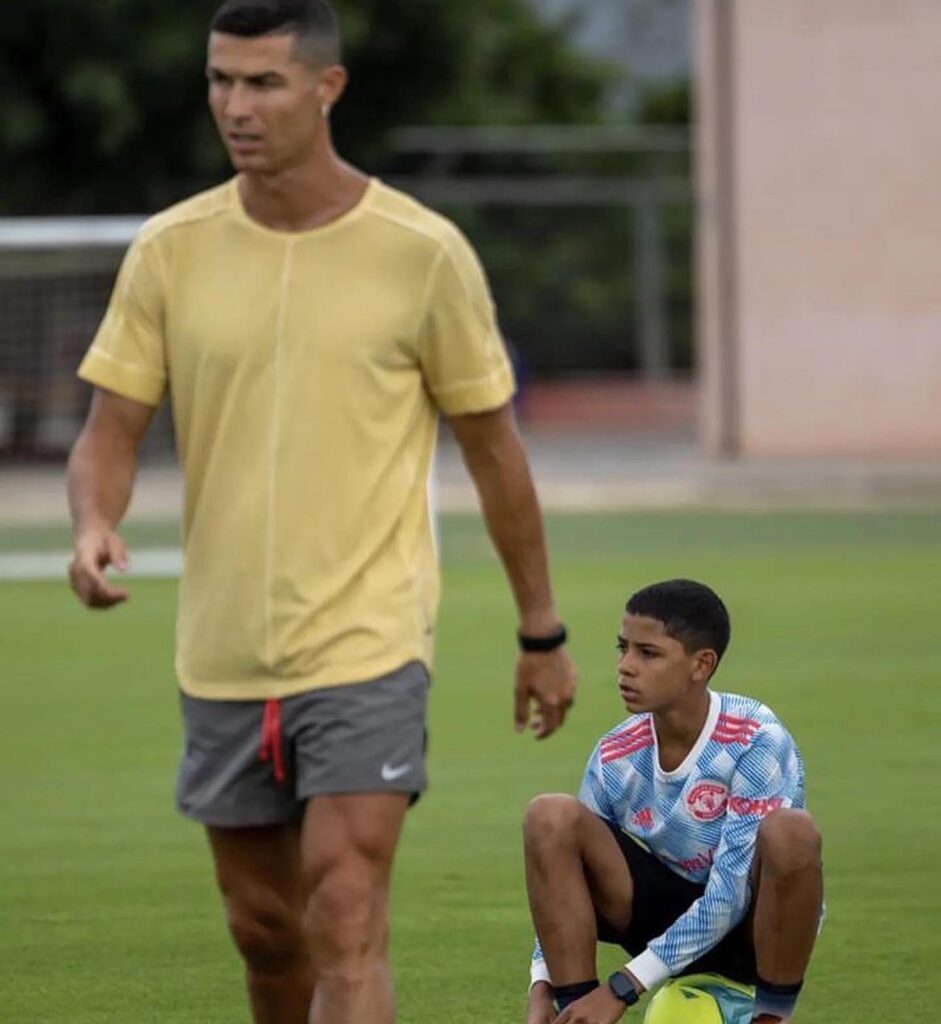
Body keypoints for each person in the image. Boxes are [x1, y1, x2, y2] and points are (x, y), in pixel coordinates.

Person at [65, 3, 577, 1023]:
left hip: (367, 640)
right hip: (218, 650)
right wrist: (93, 522)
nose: (235, 107)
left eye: (263, 83)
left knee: (346, 911)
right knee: (265, 933)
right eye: (221, 81)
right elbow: (110, 431)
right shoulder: (170, 250)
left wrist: (540, 629)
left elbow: (492, 452)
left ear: (326, 87)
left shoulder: (421, 252)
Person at [523, 580, 822, 1024]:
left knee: (791, 832)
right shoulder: (616, 753)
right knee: (550, 816)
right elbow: (563, 879)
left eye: (648, 653)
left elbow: (730, 893)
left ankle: (770, 1018)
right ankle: (574, 1015)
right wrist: (540, 987)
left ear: (701, 665)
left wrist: (622, 987)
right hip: (661, 918)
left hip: (754, 927)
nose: (625, 667)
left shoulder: (756, 739)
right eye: (622, 648)